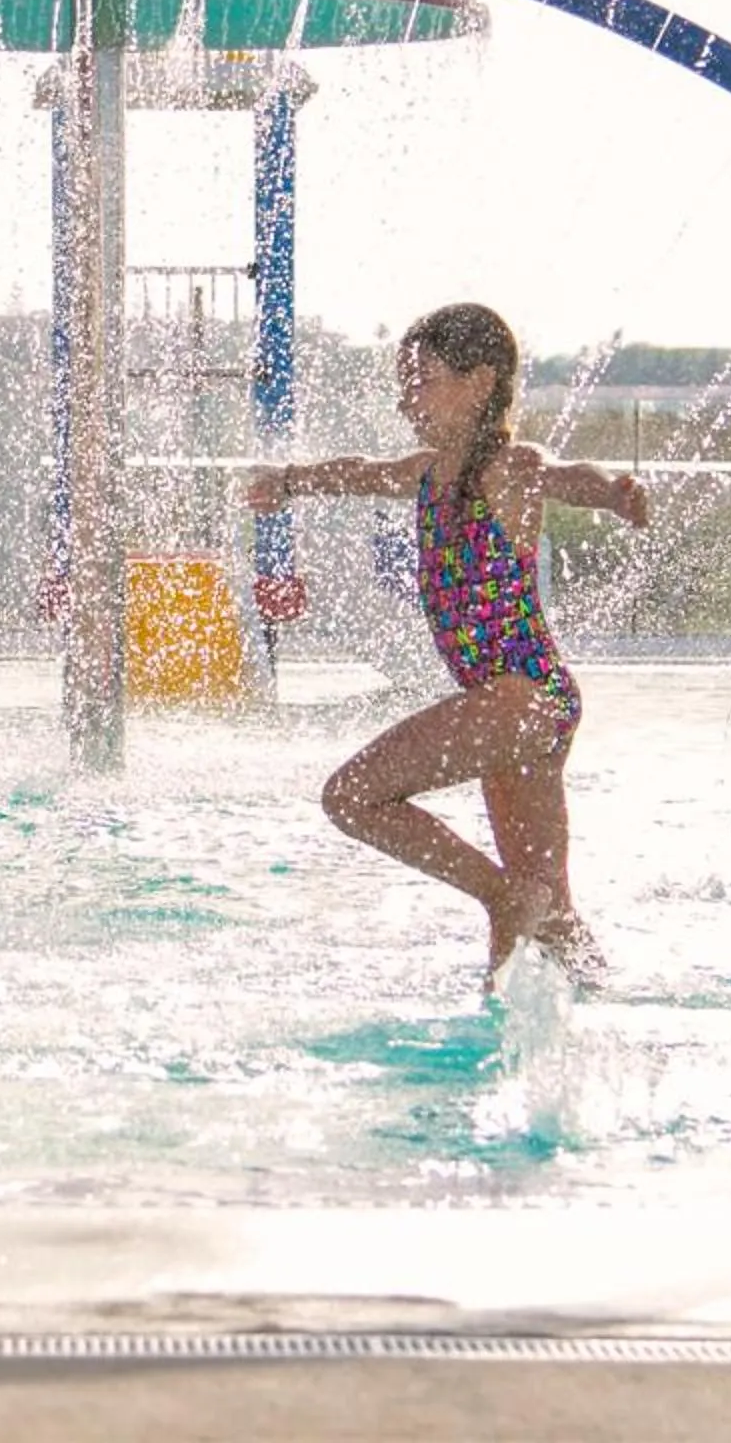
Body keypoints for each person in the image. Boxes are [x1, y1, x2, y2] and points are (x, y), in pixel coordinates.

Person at [244, 304, 650, 980]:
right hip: (525, 708)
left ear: (481, 382)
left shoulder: (508, 470)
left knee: (352, 796)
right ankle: (600, 1001)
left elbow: (566, 475)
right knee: (549, 918)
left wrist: (614, 494)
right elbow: (359, 472)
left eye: (422, 380)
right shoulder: (427, 474)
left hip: (522, 700)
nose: (407, 400)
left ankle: (498, 897)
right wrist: (290, 482)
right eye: (405, 383)